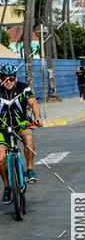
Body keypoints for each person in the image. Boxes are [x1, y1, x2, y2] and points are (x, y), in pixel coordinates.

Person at [0, 64, 42, 201]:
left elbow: (33, 103)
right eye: (5, 78)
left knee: (28, 136)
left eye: (11, 78)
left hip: (21, 124)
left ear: (16, 78)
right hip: (2, 128)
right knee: (0, 158)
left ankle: (29, 170)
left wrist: (37, 118)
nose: (8, 81)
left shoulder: (23, 87)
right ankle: (7, 188)